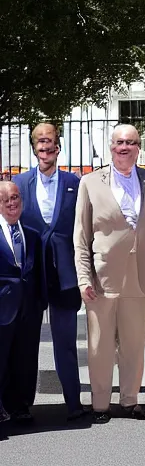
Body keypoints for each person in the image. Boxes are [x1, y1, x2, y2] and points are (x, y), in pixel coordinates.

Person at [74, 124, 145, 424]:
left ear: (139, 147)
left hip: (140, 274)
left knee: (135, 343)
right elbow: (81, 236)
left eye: (131, 143)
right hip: (102, 277)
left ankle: (130, 400)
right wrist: (83, 278)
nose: (125, 147)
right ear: (111, 146)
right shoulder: (90, 182)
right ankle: (100, 404)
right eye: (119, 142)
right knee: (100, 345)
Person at [13, 123, 84, 420]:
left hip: (64, 275)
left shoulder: (75, 183)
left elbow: (83, 229)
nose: (45, 147)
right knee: (26, 344)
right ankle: (22, 406)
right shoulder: (19, 182)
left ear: (58, 146)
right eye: (40, 142)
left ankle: (74, 404)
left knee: (66, 343)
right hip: (30, 276)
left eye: (50, 142)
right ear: (34, 147)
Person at [0, 182, 44, 424]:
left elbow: (39, 273)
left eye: (15, 197)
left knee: (25, 359)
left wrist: (40, 303)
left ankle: (21, 406)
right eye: (5, 199)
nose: (11, 202)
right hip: (2, 308)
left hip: (28, 308)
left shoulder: (32, 234)